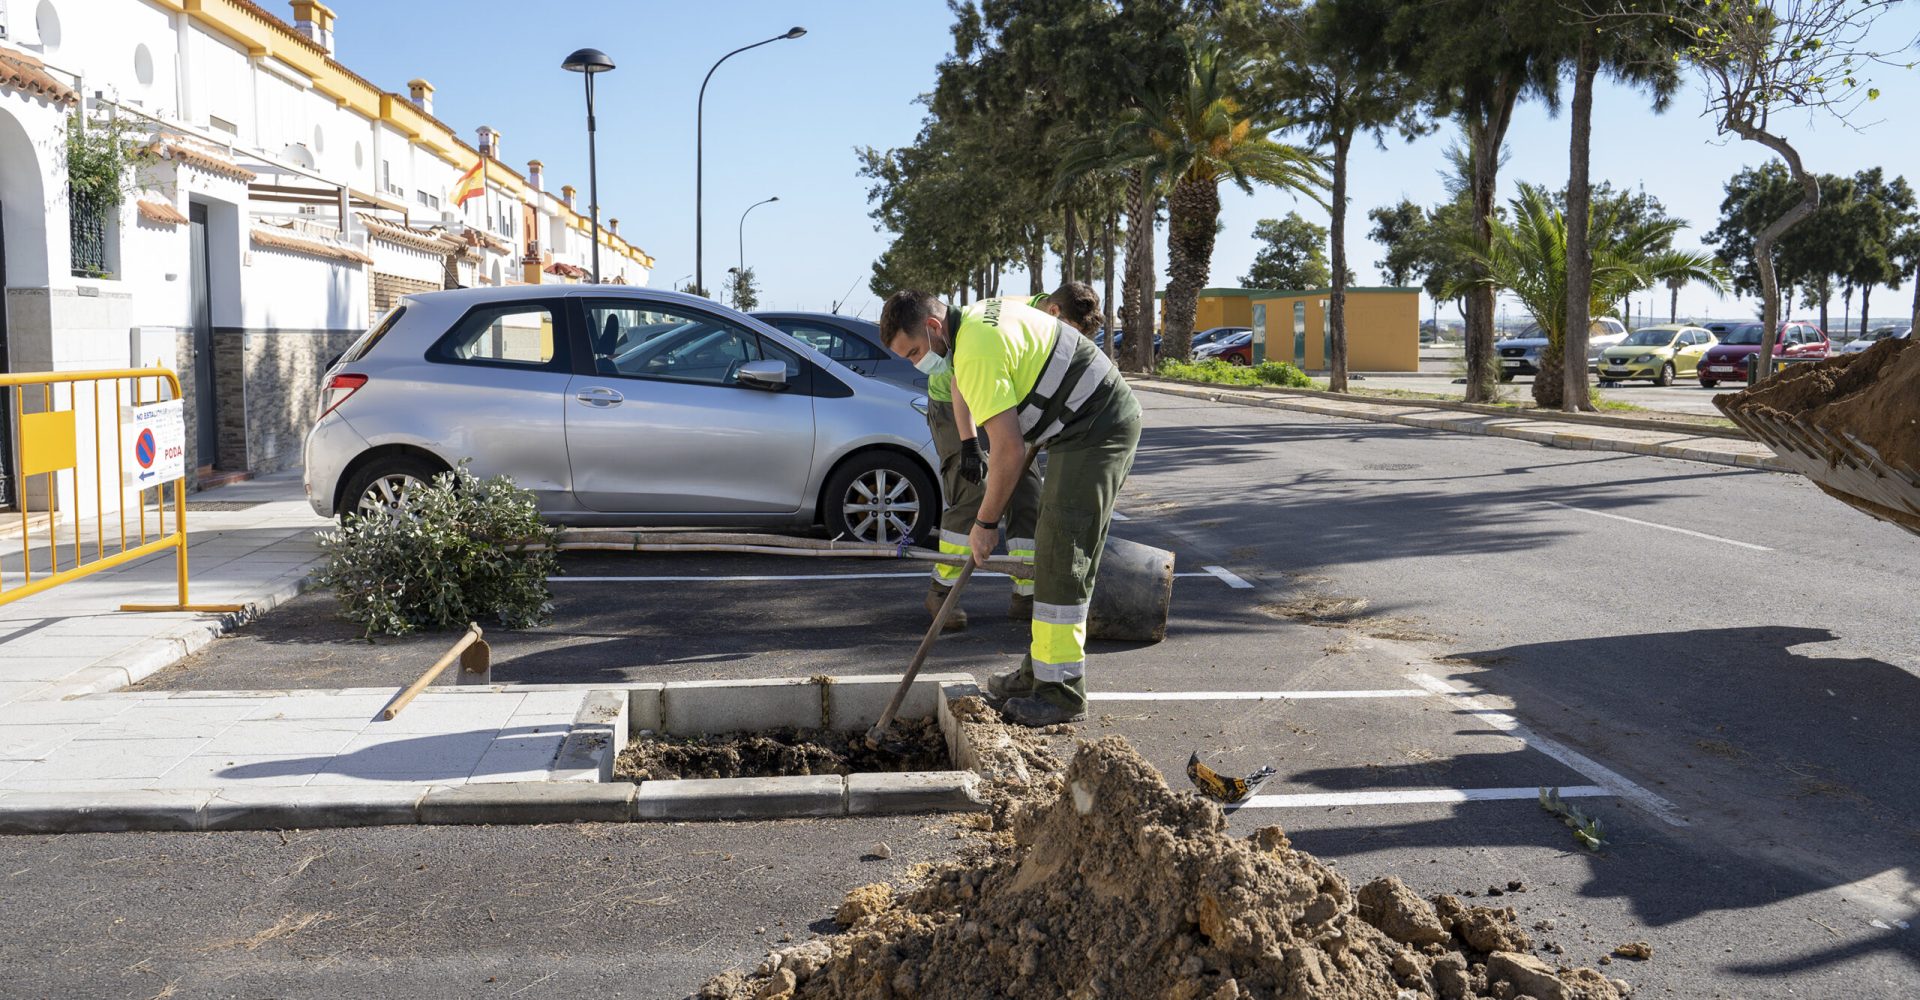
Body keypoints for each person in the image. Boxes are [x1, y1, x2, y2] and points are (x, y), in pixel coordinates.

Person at [880, 288, 1141, 727]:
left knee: (1062, 556)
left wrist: (984, 524)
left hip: (1097, 427)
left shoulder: (975, 349)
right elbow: (963, 387)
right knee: (1053, 549)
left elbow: (1008, 450)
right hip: (1077, 425)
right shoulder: (971, 328)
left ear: (932, 327)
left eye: (913, 353)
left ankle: (1060, 693)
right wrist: (966, 443)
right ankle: (1039, 671)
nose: (915, 363)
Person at [918, 283, 1105, 631]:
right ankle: (941, 591)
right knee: (975, 492)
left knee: (1028, 492)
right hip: (955, 402)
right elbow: (961, 381)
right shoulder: (1006, 317)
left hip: (1006, 403)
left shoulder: (1045, 320)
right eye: (1071, 333)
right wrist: (970, 443)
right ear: (1054, 314)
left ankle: (1027, 592)